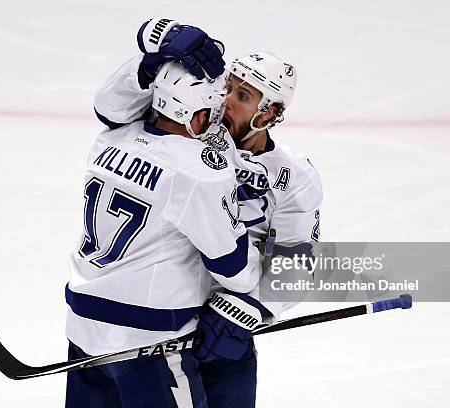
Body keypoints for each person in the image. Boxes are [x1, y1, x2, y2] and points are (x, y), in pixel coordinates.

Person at [93, 18, 323, 407]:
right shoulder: (188, 123)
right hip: (161, 328)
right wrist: (150, 62)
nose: (226, 100)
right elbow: (109, 108)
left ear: (269, 113)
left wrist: (251, 308)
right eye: (228, 86)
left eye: (243, 96)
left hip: (226, 334)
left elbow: (298, 260)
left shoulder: (294, 177)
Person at [64, 54, 265, 407]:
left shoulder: (110, 139)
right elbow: (235, 270)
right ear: (198, 116)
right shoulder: (196, 173)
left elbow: (111, 105)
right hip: (150, 341)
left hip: (83, 327)